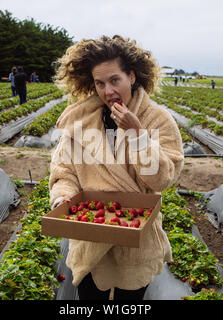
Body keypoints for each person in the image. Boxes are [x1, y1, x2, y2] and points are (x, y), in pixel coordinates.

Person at [50, 35, 184, 300]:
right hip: (91, 235)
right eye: (99, 83)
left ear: (132, 77)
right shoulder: (82, 121)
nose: (108, 91)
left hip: (136, 240)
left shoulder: (158, 120)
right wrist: (62, 196)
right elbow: (64, 171)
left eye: (114, 80)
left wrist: (137, 134)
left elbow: (162, 179)